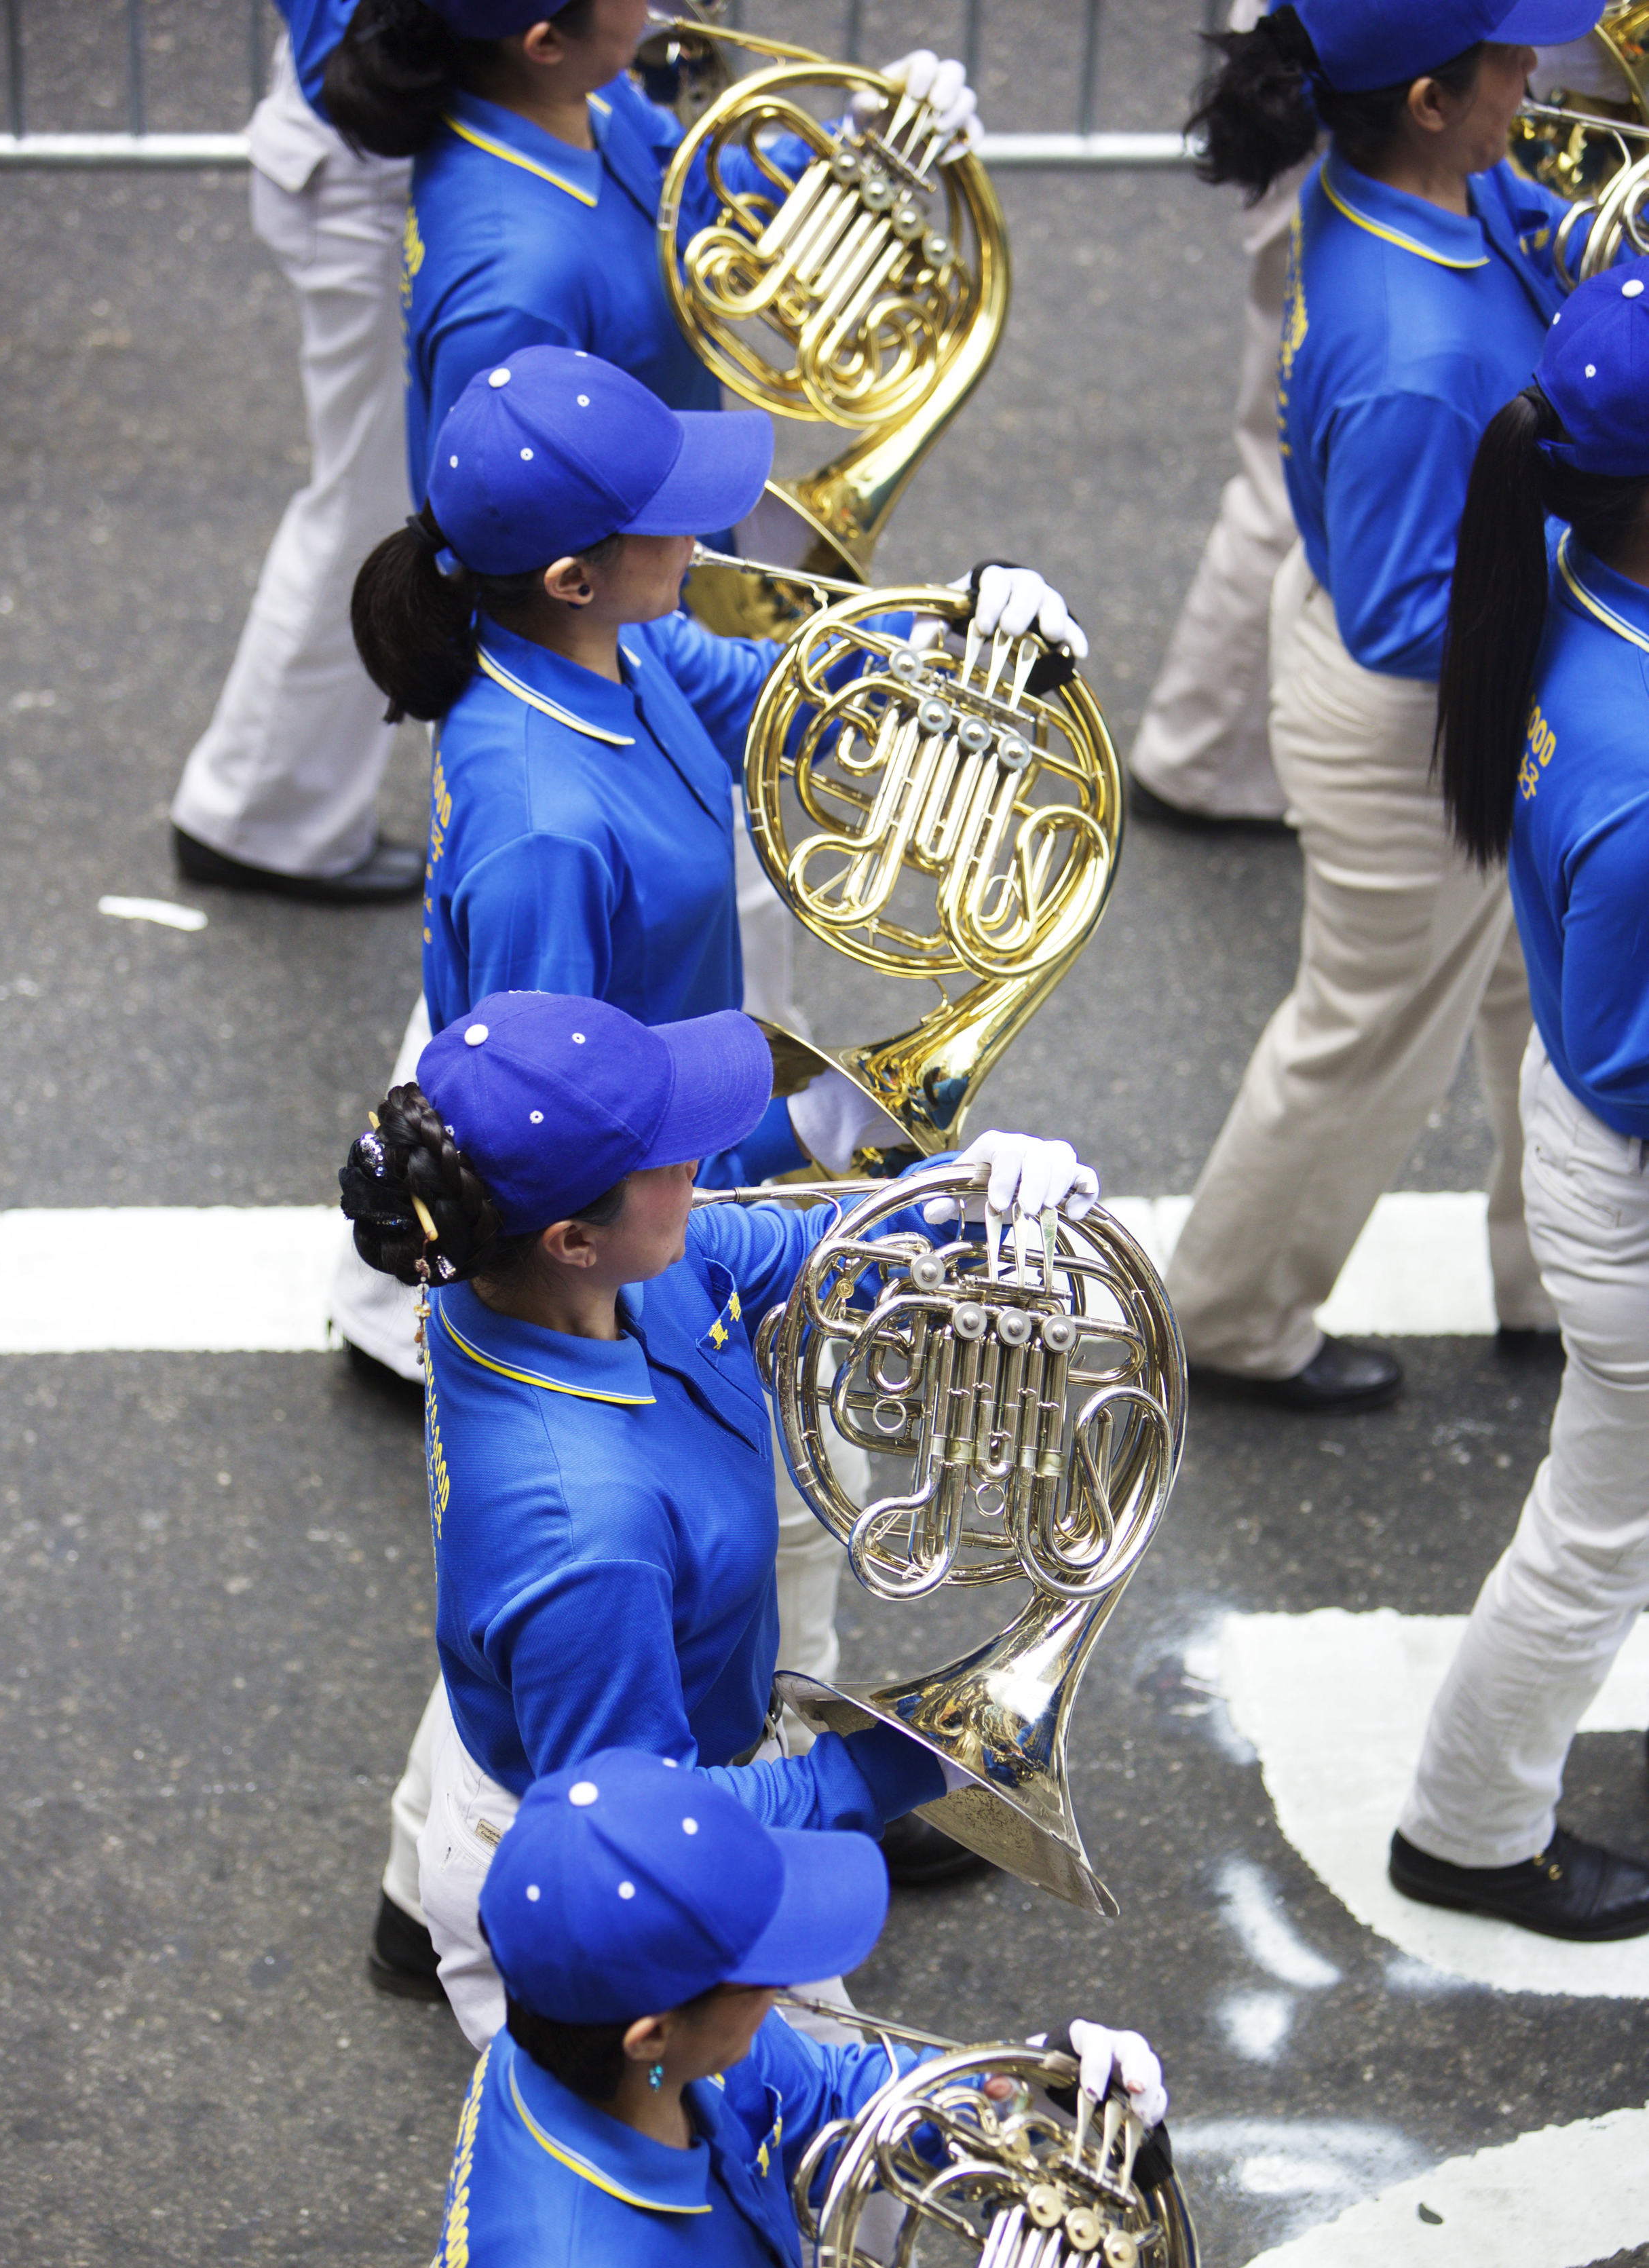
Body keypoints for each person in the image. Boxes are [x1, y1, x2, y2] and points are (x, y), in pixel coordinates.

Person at [335, 347, 1090, 1965]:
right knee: (696, 1531)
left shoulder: (608, 638)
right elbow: (534, 1091)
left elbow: (768, 707)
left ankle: (448, 1876)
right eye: (673, 514)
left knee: (592, 1563)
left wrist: (959, 660)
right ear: (568, 569)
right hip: (635, 1174)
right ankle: (740, 1809)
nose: (716, 528)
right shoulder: (539, 819)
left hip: (652, 1165)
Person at [330, 987, 1101, 2268]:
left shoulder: (598, 1282)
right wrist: (892, 1765)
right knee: (614, 2228)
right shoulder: (580, 1536)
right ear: (571, 1234)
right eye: (670, 1158)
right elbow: (637, 1834)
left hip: (645, 1797)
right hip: (619, 1847)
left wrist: (962, 1217)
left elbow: (780, 1243)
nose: (713, 1161)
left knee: (662, 2166)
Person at [1161, 0, 1597, 1413]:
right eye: (1512, 60)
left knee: (1535, 991)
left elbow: (1517, 216)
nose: (1538, 76)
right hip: (1415, 725)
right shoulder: (1423, 362)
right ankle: (1231, 1314)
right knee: (1361, 1040)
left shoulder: (1398, 180)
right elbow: (1417, 619)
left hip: (1397, 676)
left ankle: (1554, 1279)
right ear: (1424, 96)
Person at [421, 1745, 1169, 2268]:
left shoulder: (582, 2044)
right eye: (759, 1974)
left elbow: (827, 2093)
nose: (782, 1987)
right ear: (652, 2035)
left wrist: (1031, 2081)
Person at [1391, 263, 1649, 1940]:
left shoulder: (1577, 574)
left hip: (1595, 1117)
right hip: (1632, 1171)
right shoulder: (1637, 782)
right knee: (1593, 1535)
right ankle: (1469, 1827)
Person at [317, 0, 981, 502]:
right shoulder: (513, 291)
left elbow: (693, 193)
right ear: (543, 42)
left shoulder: (577, 91)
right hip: (630, 604)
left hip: (667, 515)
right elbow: (515, 571)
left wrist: (861, 142)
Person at [169, 1, 425, 903]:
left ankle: (270, 811)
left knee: (371, 502)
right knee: (370, 511)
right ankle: (261, 818)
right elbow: (368, 71)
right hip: (377, 167)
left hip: (375, 158)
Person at [1129, 0, 1306, 833]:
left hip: (1365, 80)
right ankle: (1200, 754)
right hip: (1367, 87)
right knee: (1294, 466)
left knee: (1294, 458)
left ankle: (1209, 748)